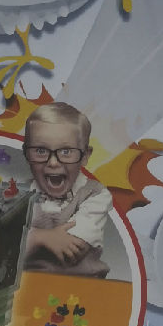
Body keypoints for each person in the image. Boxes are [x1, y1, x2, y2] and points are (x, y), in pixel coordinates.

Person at [21, 102, 112, 278]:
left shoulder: (95, 195)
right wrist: (42, 237)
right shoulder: (22, 193)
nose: (53, 162)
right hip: (28, 285)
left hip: (82, 285)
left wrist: (27, 239)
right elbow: (3, 250)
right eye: (40, 150)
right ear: (26, 154)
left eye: (66, 151)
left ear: (85, 156)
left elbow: (71, 249)